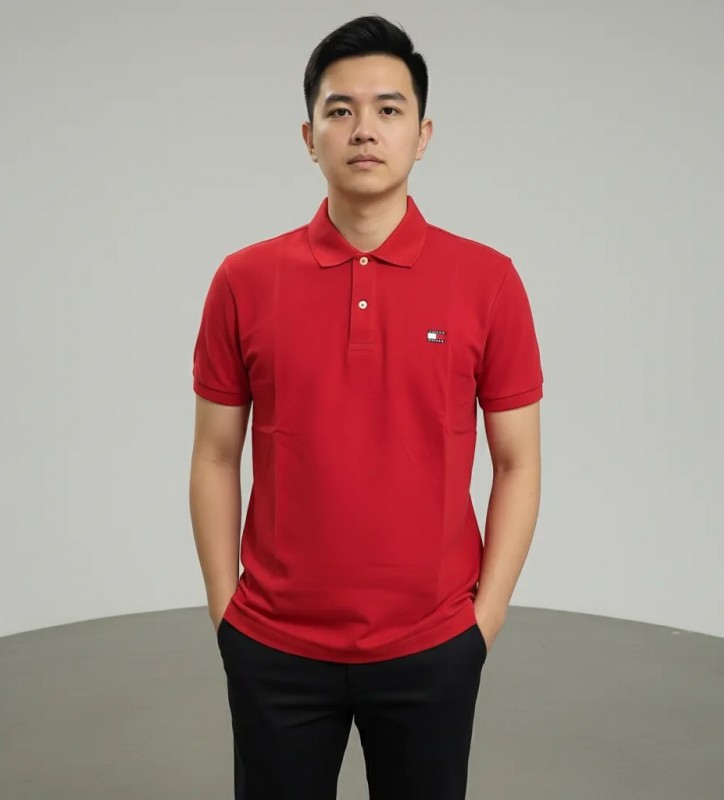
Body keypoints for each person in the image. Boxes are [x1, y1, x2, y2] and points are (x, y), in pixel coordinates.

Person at [189, 14, 543, 800]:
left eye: (389, 109)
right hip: (274, 645)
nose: (363, 129)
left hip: (433, 646)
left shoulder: (487, 281)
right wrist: (225, 612)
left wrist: (483, 622)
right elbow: (214, 454)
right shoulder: (244, 280)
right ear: (308, 137)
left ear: (423, 134)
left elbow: (519, 462)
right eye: (339, 110)